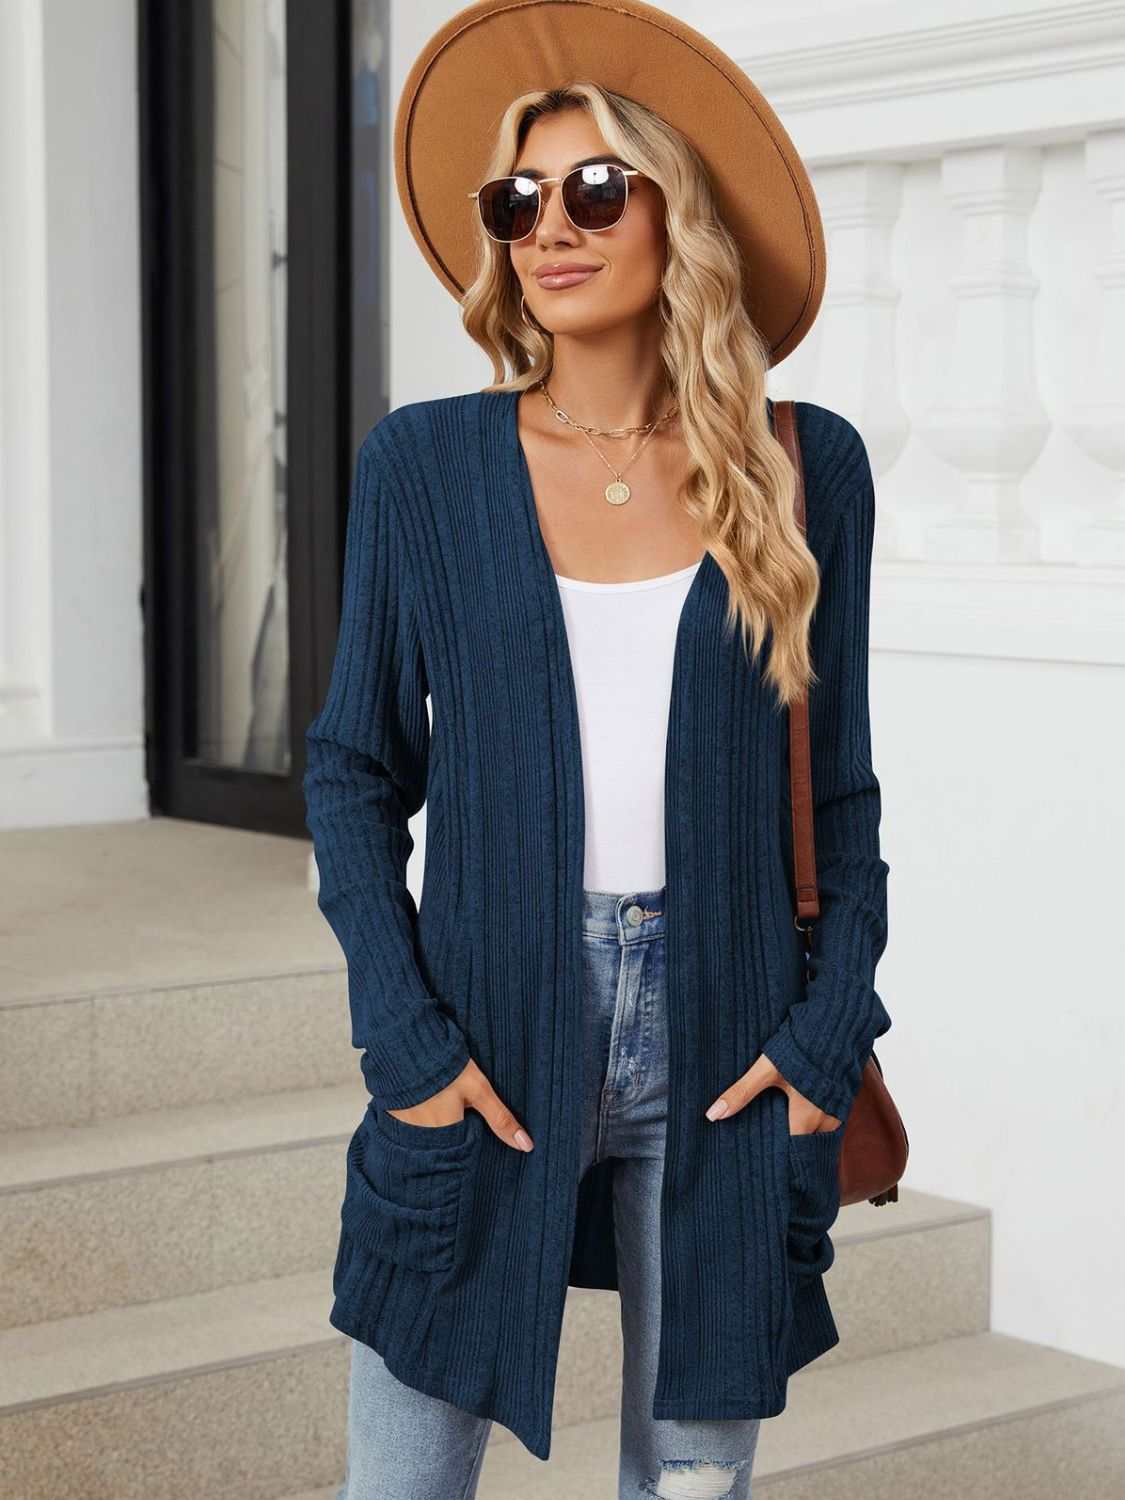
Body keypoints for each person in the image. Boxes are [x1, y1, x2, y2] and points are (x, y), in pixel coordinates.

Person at [303, 3, 893, 1496]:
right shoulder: (425, 466)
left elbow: (838, 788)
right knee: (401, 1480)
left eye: (594, 190)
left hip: (730, 1031)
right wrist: (404, 1037)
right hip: (487, 1017)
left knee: (692, 1483)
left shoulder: (802, 466)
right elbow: (354, 772)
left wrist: (828, 1032)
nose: (549, 229)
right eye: (517, 202)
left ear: (674, 216)